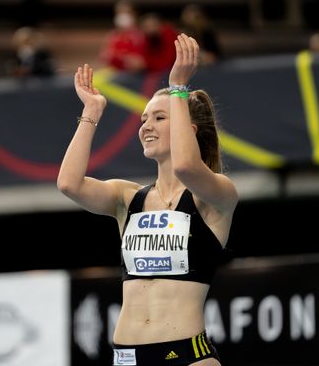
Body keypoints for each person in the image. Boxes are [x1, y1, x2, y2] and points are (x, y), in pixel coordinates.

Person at [57, 34, 238, 366]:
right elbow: (68, 184)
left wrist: (178, 87)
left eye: (159, 118)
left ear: (189, 130)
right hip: (127, 358)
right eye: (143, 119)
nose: (145, 127)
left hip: (186, 356)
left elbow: (185, 165)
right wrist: (92, 112)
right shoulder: (128, 198)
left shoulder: (215, 195)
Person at [99, 0, 147, 72]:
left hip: (133, 74)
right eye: (120, 13)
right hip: (114, 72)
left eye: (127, 12)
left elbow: (141, 62)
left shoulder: (141, 35)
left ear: (134, 14)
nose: (123, 16)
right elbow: (104, 56)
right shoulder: (112, 35)